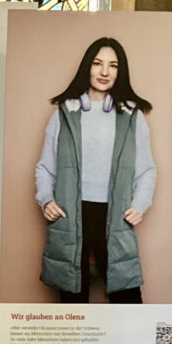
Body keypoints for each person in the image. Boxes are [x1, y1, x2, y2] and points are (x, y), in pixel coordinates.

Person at [35, 37, 156, 304]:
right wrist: (46, 199)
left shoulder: (132, 116)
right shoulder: (64, 113)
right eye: (97, 63)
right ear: (86, 67)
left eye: (112, 65)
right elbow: (45, 166)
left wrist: (140, 204)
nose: (104, 72)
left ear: (120, 71)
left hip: (115, 216)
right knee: (73, 303)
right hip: (72, 214)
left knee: (127, 300)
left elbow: (146, 170)